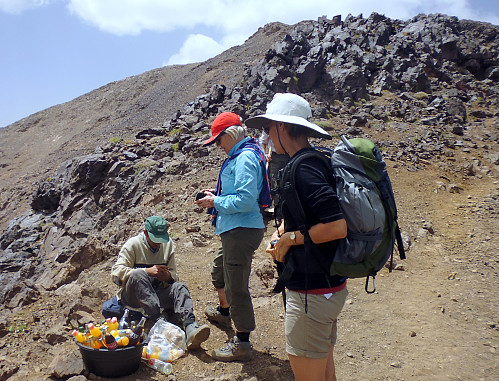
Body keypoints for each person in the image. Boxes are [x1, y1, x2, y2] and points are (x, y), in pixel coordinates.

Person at [245, 93, 348, 381]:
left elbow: (337, 226)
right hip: (326, 287)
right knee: (323, 365)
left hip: (311, 292)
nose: (266, 134)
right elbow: (310, 216)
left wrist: (291, 239)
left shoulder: (304, 168)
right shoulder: (313, 161)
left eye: (268, 127)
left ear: (281, 126)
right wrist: (283, 232)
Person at [194, 112, 271, 362]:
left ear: (230, 135)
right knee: (220, 272)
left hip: (241, 229)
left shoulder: (245, 157)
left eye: (219, 139)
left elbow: (246, 199)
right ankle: (224, 313)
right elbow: (236, 192)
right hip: (233, 229)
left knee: (236, 285)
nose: (218, 145)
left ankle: (242, 343)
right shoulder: (238, 155)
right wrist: (215, 193)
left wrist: (214, 201)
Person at [110, 215, 210, 350]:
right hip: (134, 298)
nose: (158, 243)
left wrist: (168, 277)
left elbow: (175, 276)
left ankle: (190, 327)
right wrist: (146, 271)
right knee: (138, 274)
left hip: (157, 295)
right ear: (146, 233)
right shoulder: (133, 245)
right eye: (155, 239)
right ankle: (160, 323)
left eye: (161, 239)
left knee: (179, 287)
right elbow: (116, 272)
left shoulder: (167, 245)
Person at [259, 130, 289, 222]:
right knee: (276, 186)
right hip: (274, 157)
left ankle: (289, 215)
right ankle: (279, 216)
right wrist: (264, 154)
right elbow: (262, 142)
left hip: (289, 155)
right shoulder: (271, 126)